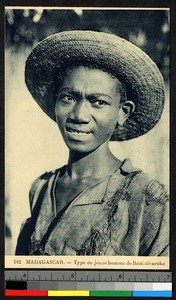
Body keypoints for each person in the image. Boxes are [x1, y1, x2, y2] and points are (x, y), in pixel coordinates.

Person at [15, 30, 169, 256]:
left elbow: (159, 288)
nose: (79, 114)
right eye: (68, 97)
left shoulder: (149, 199)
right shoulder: (41, 188)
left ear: (122, 112)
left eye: (98, 102)